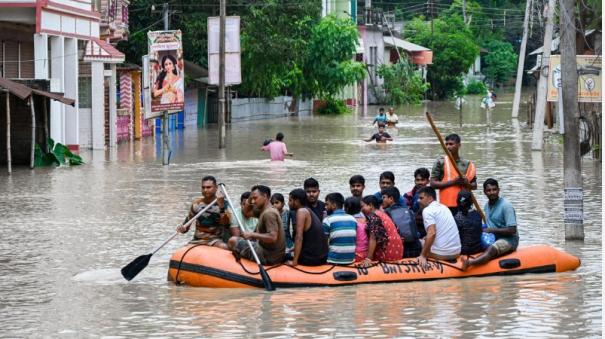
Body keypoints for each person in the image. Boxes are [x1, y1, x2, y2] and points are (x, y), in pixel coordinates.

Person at [462, 179, 519, 270]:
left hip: (508, 240)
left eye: (494, 189)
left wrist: (491, 230)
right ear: (484, 192)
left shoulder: (506, 206)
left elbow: (512, 230)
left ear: (498, 190)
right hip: (493, 237)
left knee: (491, 249)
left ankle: (469, 263)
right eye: (489, 190)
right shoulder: (486, 206)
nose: (492, 192)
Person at [228, 185, 285, 265]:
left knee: (232, 241)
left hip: (268, 256)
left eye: (255, 198)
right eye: (252, 198)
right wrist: (250, 198)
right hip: (269, 252)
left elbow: (273, 237)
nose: (253, 201)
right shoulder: (263, 210)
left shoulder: (269, 213)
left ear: (265, 196)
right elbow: (246, 212)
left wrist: (252, 234)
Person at [177, 176, 234, 249]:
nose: (205, 190)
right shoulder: (196, 204)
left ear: (216, 188)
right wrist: (182, 228)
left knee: (224, 247)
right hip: (197, 240)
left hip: (215, 240)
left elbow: (226, 224)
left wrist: (221, 206)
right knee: (181, 252)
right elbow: (186, 226)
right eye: (203, 187)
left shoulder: (224, 203)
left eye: (208, 187)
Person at [430, 133, 477, 215]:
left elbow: (474, 186)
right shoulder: (440, 162)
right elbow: (433, 184)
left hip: (465, 205)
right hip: (446, 206)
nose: (448, 147)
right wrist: (453, 182)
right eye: (446, 144)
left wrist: (467, 184)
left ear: (459, 145)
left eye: (451, 144)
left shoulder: (467, 164)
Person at [417, 187, 461, 268]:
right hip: (457, 252)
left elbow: (432, 233)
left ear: (430, 198)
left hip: (443, 254)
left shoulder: (427, 210)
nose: (418, 201)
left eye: (421, 198)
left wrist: (423, 255)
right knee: (425, 239)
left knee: (418, 242)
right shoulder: (444, 207)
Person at [358, 195, 403, 267]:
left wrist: (368, 258)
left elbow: (373, 238)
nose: (361, 209)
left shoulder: (374, 217)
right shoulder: (383, 214)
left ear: (370, 205)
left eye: (362, 206)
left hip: (387, 252)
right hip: (398, 251)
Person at [287, 189, 328, 266]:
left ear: (297, 201)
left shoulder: (301, 211)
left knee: (284, 256)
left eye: (290, 200)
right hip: (322, 257)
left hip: (312, 259)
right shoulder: (308, 210)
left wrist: (294, 262)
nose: (288, 203)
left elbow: (299, 237)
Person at [382, 186, 423, 258]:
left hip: (400, 249)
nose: (382, 200)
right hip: (416, 247)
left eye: (384, 197)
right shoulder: (409, 210)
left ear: (391, 199)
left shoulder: (386, 213)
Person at [322, 193, 358, 265]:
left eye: (327, 204)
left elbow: (323, 243)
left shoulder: (327, 220)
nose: (325, 207)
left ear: (334, 205)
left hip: (333, 260)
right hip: (351, 259)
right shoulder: (353, 219)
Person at [453, 191, 483, 256]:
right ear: (472, 202)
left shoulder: (457, 218)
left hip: (464, 250)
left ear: (457, 201)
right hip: (478, 248)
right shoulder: (478, 214)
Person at [344, 197, 368, 262]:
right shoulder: (365, 219)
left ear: (346, 208)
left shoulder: (349, 222)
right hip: (366, 253)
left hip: (356, 255)